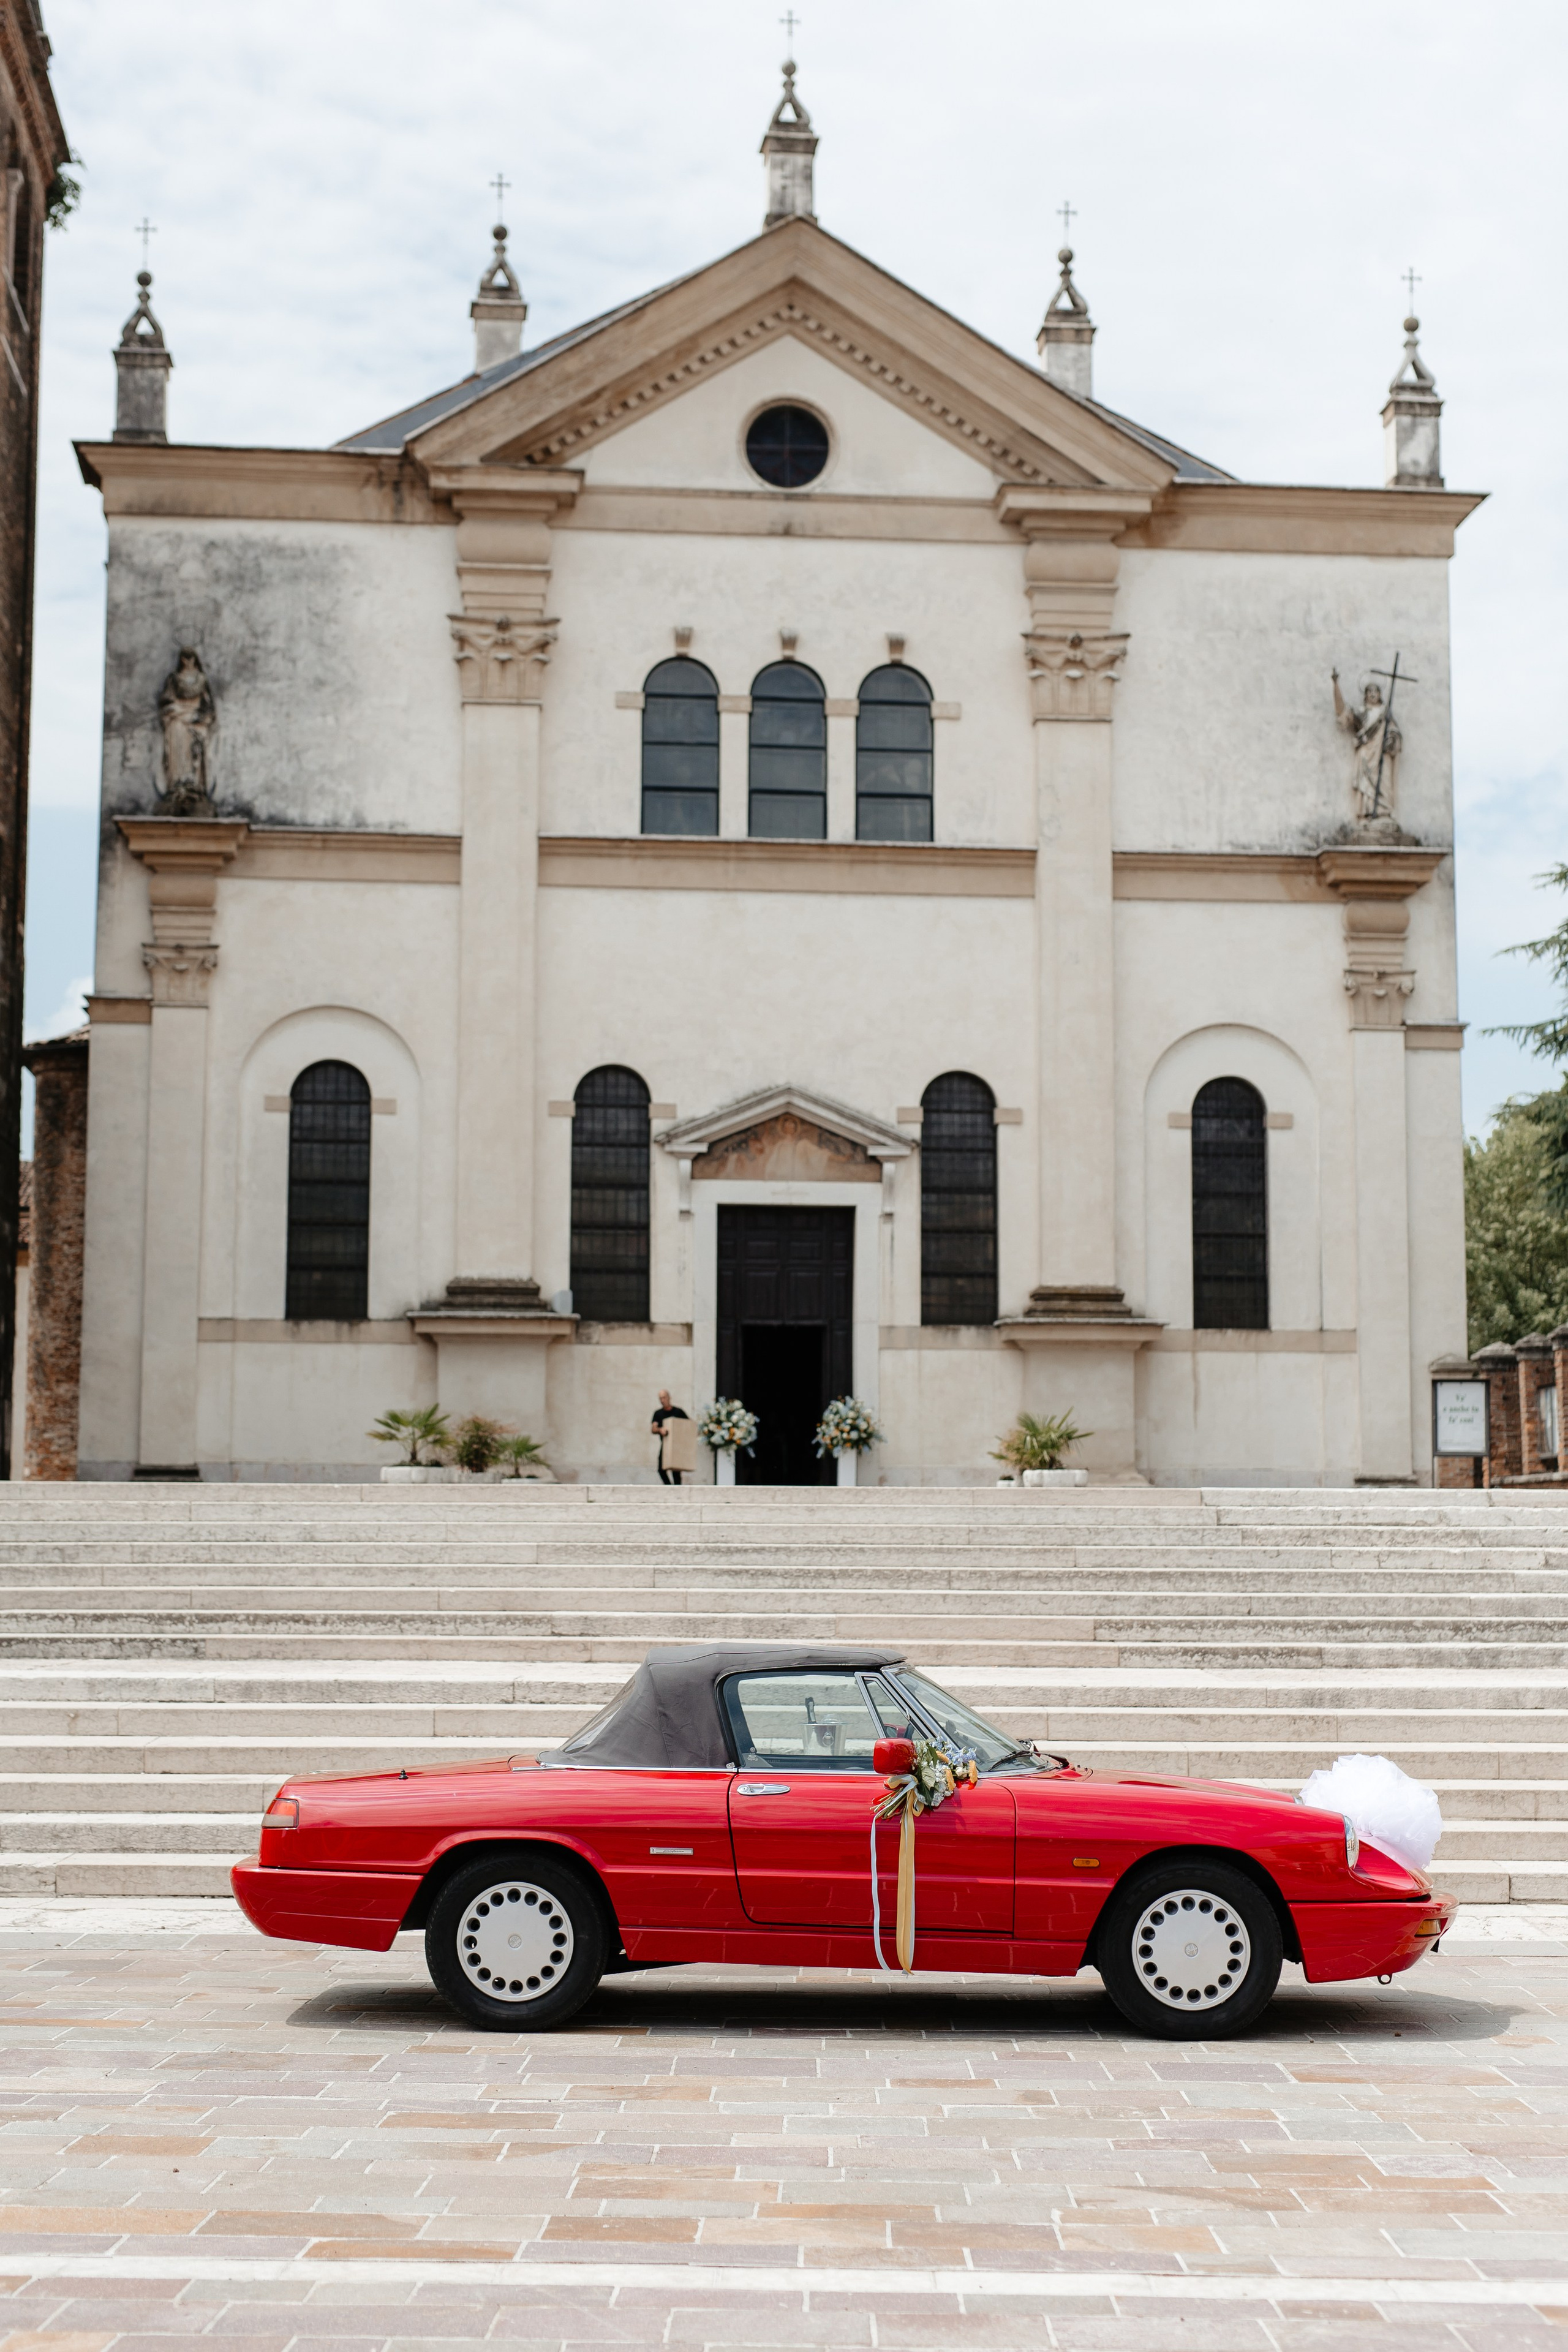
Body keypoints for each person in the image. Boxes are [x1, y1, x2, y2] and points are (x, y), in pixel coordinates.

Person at [650, 1390, 690, 1485]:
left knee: (676, 1470)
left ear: (669, 1397)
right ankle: (669, 1487)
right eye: (660, 1398)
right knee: (661, 1469)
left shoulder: (678, 1412)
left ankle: (677, 1490)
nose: (662, 1400)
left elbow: (689, 1425)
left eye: (664, 1397)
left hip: (677, 1445)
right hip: (665, 1445)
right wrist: (660, 1430)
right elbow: (653, 1429)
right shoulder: (658, 1414)